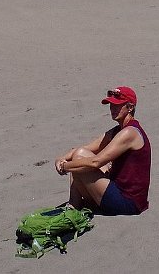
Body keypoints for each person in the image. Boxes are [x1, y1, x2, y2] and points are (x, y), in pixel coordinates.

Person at [55, 86, 150, 215]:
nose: (112, 109)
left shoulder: (129, 132)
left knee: (79, 160)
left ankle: (74, 204)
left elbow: (96, 162)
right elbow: (87, 148)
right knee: (80, 154)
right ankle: (74, 203)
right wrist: (62, 158)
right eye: (111, 105)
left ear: (130, 108)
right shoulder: (119, 130)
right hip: (118, 187)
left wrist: (66, 166)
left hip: (128, 202)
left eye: (117, 105)